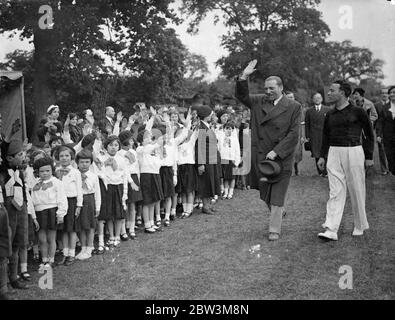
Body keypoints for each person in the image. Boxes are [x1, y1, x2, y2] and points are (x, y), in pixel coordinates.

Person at [235, 60, 301, 241]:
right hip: (261, 156)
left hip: (281, 158)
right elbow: (242, 96)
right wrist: (244, 77)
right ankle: (278, 212)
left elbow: (294, 133)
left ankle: (274, 229)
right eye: (266, 88)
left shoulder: (294, 107)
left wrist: (278, 151)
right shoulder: (258, 101)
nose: (268, 92)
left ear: (281, 88)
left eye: (271, 88)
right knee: (264, 192)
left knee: (277, 194)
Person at [317, 80, 374, 241]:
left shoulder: (358, 112)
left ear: (342, 93)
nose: (328, 93)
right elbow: (326, 136)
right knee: (335, 191)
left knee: (356, 189)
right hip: (334, 152)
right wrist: (322, 155)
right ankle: (331, 229)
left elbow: (369, 135)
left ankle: (359, 225)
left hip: (354, 151)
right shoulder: (330, 114)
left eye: (332, 90)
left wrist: (369, 157)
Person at [31, 157, 68, 268]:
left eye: (47, 171)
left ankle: (51, 260)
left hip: (52, 211)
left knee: (51, 238)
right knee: (42, 239)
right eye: (42, 171)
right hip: (39, 212)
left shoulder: (57, 183)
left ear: (52, 170)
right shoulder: (35, 184)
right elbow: (33, 200)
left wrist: (60, 214)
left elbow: (62, 198)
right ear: (37, 172)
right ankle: (44, 259)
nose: (45, 173)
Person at [136, 108, 165, 233]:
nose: (149, 137)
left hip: (155, 175)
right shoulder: (140, 150)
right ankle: (147, 225)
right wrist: (152, 118)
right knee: (147, 202)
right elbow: (148, 132)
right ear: (142, 139)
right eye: (146, 137)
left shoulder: (152, 149)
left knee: (153, 200)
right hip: (146, 176)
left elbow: (159, 160)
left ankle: (152, 223)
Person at [97, 135, 128, 247]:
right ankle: (111, 235)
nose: (113, 147)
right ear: (106, 146)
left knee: (119, 212)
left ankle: (118, 235)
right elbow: (99, 173)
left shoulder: (121, 159)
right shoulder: (102, 158)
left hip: (118, 186)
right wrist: (105, 164)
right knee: (109, 212)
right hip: (108, 187)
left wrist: (125, 192)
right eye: (110, 145)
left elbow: (125, 175)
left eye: (116, 145)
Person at [54, 145, 83, 266]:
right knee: (64, 230)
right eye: (61, 156)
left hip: (71, 202)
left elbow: (79, 189)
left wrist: (79, 205)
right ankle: (65, 253)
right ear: (57, 158)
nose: (64, 158)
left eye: (67, 156)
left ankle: (71, 254)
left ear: (71, 157)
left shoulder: (76, 172)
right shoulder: (55, 172)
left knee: (71, 230)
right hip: (60, 203)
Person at [75, 149, 101, 260]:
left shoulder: (93, 176)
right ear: (77, 163)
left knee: (90, 226)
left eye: (87, 162)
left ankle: (90, 247)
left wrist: (98, 207)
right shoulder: (75, 174)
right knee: (80, 225)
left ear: (90, 163)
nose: (84, 164)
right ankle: (83, 247)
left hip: (90, 200)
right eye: (81, 162)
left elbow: (97, 192)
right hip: (78, 201)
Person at [195, 105, 221, 215]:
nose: (212, 115)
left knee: (212, 181)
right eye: (210, 114)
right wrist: (200, 163)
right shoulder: (201, 127)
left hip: (211, 158)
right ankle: (205, 206)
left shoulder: (207, 126)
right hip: (205, 159)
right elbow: (198, 146)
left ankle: (209, 205)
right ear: (206, 115)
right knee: (206, 183)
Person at [117, 130, 142, 239]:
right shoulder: (119, 153)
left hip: (134, 177)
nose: (132, 141)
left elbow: (136, 166)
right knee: (124, 205)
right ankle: (123, 230)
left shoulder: (134, 151)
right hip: (123, 179)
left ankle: (131, 228)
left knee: (132, 205)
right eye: (129, 139)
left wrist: (138, 180)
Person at [305, 93, 332, 176]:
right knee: (316, 153)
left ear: (322, 99)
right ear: (313, 100)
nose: (317, 99)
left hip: (325, 135)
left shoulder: (327, 110)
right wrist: (307, 136)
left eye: (319, 98)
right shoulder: (309, 111)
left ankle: (326, 171)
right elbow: (307, 124)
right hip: (314, 135)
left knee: (326, 152)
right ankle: (320, 171)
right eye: (315, 98)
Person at [217, 121, 241, 199]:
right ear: (224, 129)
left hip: (232, 160)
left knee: (232, 178)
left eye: (230, 129)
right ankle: (226, 192)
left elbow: (237, 151)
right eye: (227, 128)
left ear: (232, 130)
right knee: (225, 177)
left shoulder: (234, 139)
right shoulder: (221, 138)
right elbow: (219, 148)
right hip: (223, 159)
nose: (228, 130)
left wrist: (237, 162)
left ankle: (231, 192)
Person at [376, 85, 395, 175]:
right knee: (391, 159)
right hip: (388, 137)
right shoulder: (385, 107)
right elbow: (380, 121)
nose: (391, 94)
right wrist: (379, 135)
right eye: (390, 93)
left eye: (393, 92)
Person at [374, 87, 390, 175]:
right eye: (383, 93)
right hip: (380, 131)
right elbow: (376, 120)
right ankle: (384, 169)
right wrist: (378, 135)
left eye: (386, 93)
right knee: (382, 150)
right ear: (380, 94)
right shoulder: (376, 105)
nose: (384, 94)